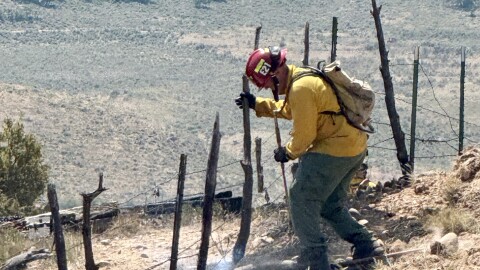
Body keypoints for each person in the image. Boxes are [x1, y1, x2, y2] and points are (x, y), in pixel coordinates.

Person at [235, 46, 384, 269]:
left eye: (264, 82)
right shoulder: (302, 79)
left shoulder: (301, 88)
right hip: (353, 147)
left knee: (300, 196)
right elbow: (292, 110)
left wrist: (288, 152)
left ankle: (315, 255)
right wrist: (258, 104)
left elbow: (305, 135)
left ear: (274, 75)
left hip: (335, 149)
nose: (264, 87)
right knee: (330, 205)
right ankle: (367, 244)